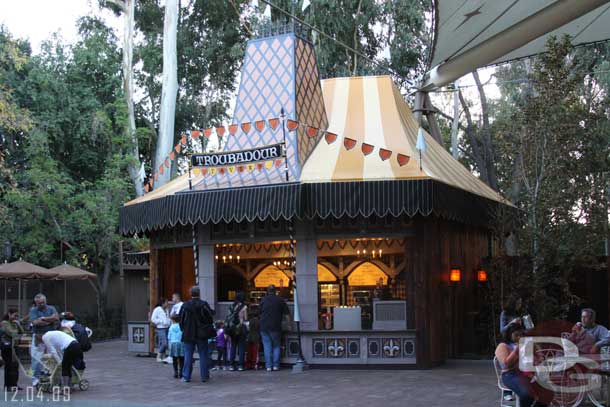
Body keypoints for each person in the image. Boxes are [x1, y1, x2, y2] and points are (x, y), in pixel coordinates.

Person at [495, 322, 546, 407]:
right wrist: (517, 350)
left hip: (527, 373)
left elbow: (537, 356)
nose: (519, 337)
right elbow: (506, 364)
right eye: (516, 335)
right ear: (509, 335)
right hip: (510, 375)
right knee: (526, 394)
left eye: (521, 335)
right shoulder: (503, 346)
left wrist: (539, 355)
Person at [179, 286, 214, 383]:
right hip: (201, 333)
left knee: (188, 354)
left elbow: (181, 320)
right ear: (199, 294)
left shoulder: (185, 305)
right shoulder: (203, 304)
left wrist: (183, 329)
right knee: (203, 354)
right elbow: (210, 317)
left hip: (188, 333)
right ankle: (204, 376)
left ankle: (186, 376)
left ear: (191, 294)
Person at [29, 293, 59, 386]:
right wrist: (49, 320)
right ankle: (35, 379)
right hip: (39, 336)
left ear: (45, 301)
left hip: (50, 336)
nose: (41, 304)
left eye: (43, 302)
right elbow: (35, 322)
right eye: (39, 303)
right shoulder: (33, 310)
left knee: (52, 356)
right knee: (37, 358)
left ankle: (49, 375)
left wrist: (43, 319)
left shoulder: (51, 308)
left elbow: (56, 318)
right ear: (36, 303)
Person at [259, 285, 289, 372]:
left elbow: (259, 312)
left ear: (267, 291)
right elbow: (287, 314)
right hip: (276, 326)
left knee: (267, 346)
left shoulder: (263, 300)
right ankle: (275, 365)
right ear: (275, 291)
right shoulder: (280, 300)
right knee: (276, 346)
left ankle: (268, 366)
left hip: (264, 326)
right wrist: (288, 324)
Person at [1, 308, 24, 390]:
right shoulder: (4, 323)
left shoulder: (15, 323)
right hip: (8, 347)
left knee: (15, 367)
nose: (16, 317)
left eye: (17, 316)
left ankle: (14, 385)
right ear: (9, 314)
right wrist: (16, 332)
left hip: (15, 346)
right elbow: (11, 333)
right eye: (15, 315)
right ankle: (8, 386)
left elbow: (22, 332)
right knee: (9, 366)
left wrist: (18, 324)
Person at [226, 291, 248, 371]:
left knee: (233, 346)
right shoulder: (244, 307)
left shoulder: (231, 306)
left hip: (232, 328)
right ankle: (240, 366)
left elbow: (228, 317)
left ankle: (231, 365)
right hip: (241, 328)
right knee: (241, 347)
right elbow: (245, 318)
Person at [151, 298, 172, 363]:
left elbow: (168, 318)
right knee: (164, 343)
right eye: (166, 302)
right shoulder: (157, 309)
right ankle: (158, 356)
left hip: (167, 327)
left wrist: (169, 322)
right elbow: (153, 319)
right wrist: (161, 321)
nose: (167, 303)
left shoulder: (167, 309)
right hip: (161, 328)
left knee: (166, 342)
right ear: (163, 303)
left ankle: (163, 356)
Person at [168, 313, 184, 379]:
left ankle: (175, 372)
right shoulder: (181, 326)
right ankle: (181, 372)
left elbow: (169, 337)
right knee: (181, 358)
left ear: (172, 320)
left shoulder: (171, 327)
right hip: (181, 343)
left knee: (174, 358)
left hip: (173, 343)